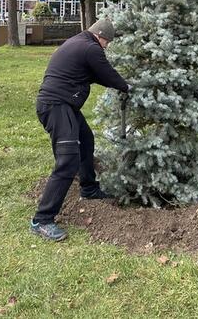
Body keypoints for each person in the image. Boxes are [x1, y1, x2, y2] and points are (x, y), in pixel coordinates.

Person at [30, 18, 129, 242]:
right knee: (67, 162)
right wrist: (126, 87)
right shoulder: (90, 48)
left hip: (64, 105)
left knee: (86, 139)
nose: (107, 46)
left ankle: (89, 188)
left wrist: (120, 84)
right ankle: (42, 219)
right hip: (56, 107)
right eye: (108, 42)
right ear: (101, 36)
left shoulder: (79, 43)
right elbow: (106, 73)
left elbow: (95, 75)